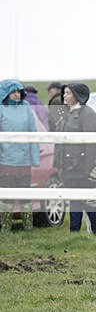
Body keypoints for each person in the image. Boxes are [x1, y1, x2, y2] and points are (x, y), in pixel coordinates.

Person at [54, 82, 96, 234]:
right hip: (69, 168)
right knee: (74, 201)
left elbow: (92, 145)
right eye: (65, 93)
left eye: (68, 93)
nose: (64, 96)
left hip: (83, 168)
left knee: (90, 202)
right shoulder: (65, 113)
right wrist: (58, 164)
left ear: (76, 96)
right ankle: (74, 233)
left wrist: (89, 169)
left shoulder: (88, 114)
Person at [0, 79, 40, 232]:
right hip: (6, 161)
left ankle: (28, 227)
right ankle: (5, 228)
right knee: (7, 196)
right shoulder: (1, 108)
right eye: (13, 92)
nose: (17, 95)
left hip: (24, 161)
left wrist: (35, 159)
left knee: (25, 194)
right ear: (5, 93)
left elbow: (33, 133)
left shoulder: (26, 107)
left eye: (19, 92)